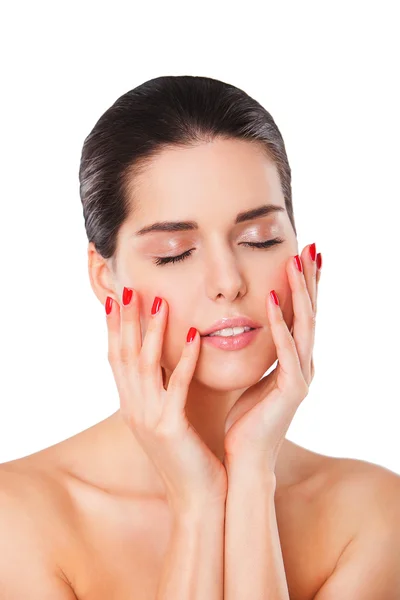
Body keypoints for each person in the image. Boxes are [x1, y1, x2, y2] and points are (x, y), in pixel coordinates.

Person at [0, 75, 399, 599]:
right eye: (175, 252)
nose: (229, 282)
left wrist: (252, 475)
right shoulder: (18, 520)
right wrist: (198, 505)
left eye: (261, 239)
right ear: (105, 278)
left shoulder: (374, 514)